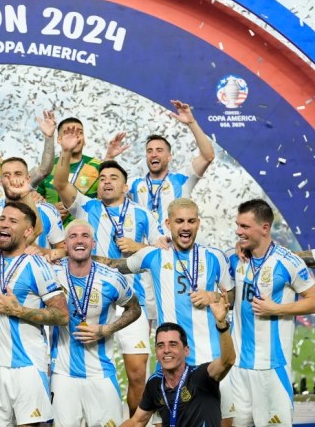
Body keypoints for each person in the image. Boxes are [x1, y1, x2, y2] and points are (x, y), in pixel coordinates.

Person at [98, 198, 237, 423]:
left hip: (211, 357)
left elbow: (230, 294)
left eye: (191, 221)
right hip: (172, 360)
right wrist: (70, 255)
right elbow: (116, 265)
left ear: (198, 223)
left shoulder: (214, 256)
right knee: (166, 420)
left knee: (222, 421)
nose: (185, 227)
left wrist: (213, 296)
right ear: (168, 223)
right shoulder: (154, 255)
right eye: (179, 221)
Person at [54, 146, 163, 415]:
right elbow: (59, 182)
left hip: (130, 303)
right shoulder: (86, 206)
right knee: (87, 372)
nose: (106, 182)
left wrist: (137, 245)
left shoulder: (143, 214)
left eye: (113, 178)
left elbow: (162, 251)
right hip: (91, 303)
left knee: (138, 374)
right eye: (102, 178)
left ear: (126, 186)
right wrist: (65, 152)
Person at [227, 199, 315, 426]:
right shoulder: (235, 257)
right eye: (238, 225)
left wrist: (277, 309)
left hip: (272, 368)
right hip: (238, 367)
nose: (238, 231)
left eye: (245, 227)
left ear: (265, 228)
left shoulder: (288, 262)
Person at [0, 201, 69, 427]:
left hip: (27, 365)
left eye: (13, 221)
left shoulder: (38, 265)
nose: (4, 224)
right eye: (2, 219)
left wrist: (20, 311)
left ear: (28, 231)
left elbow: (62, 315)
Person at [50, 219, 141, 427]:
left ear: (93, 243)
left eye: (85, 236)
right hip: (63, 375)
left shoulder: (112, 279)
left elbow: (135, 309)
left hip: (101, 373)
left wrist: (106, 329)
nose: (79, 240)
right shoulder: (51, 274)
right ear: (64, 245)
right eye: (73, 236)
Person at [121, 292, 235, 426]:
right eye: (160, 345)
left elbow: (228, 361)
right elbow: (137, 421)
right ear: (156, 353)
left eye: (173, 344)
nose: (166, 350)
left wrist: (222, 324)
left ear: (186, 350)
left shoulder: (201, 376)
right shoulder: (155, 383)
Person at [127, 100, 215, 233]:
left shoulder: (182, 179)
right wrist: (109, 157)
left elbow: (208, 156)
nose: (154, 154)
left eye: (159, 150)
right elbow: (106, 191)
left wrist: (192, 123)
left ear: (169, 156)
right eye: (149, 151)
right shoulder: (133, 183)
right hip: (143, 251)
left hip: (174, 251)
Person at [37, 117, 128, 222]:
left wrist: (109, 158)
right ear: (59, 139)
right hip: (51, 234)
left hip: (86, 233)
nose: (74, 137)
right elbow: (35, 202)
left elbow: (108, 201)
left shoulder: (97, 166)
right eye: (68, 133)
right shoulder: (47, 168)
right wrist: (51, 210)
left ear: (84, 139)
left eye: (79, 133)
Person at [0, 157, 65, 253]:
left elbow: (64, 252)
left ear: (28, 179)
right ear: (0, 182)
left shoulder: (48, 211)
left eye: (18, 174)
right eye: (7, 175)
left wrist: (42, 251)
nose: (13, 179)